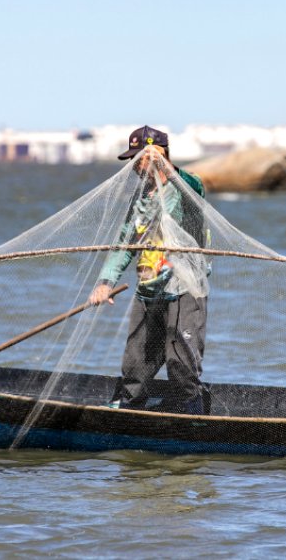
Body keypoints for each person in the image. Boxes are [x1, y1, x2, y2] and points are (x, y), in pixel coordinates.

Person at [89, 126, 209, 415]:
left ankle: (191, 407)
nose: (133, 166)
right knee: (136, 357)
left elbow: (196, 187)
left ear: (158, 155)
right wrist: (105, 282)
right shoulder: (141, 198)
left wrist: (169, 168)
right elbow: (124, 244)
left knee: (180, 357)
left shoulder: (182, 189)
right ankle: (131, 405)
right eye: (131, 159)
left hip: (183, 287)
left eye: (138, 158)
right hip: (149, 288)